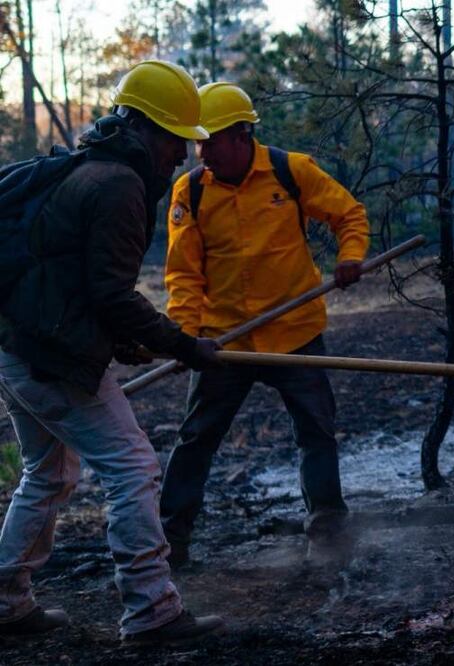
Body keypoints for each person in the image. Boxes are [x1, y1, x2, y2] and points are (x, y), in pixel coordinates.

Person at [0, 60, 224, 643]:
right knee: (133, 466)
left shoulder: (90, 169)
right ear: (146, 129)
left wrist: (125, 341)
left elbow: (74, 283)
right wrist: (183, 345)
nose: (183, 154)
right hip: (49, 359)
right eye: (176, 139)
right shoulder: (120, 185)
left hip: (20, 348)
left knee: (49, 471)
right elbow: (112, 294)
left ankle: (6, 601)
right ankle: (152, 610)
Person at [160, 82, 369, 569]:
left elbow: (349, 215)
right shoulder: (190, 191)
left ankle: (328, 535)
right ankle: (167, 543)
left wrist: (350, 257)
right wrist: (185, 337)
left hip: (294, 333)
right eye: (197, 143)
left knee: (316, 432)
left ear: (241, 135)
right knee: (196, 439)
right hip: (223, 343)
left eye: (211, 142)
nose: (202, 153)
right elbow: (183, 274)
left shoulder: (290, 171)